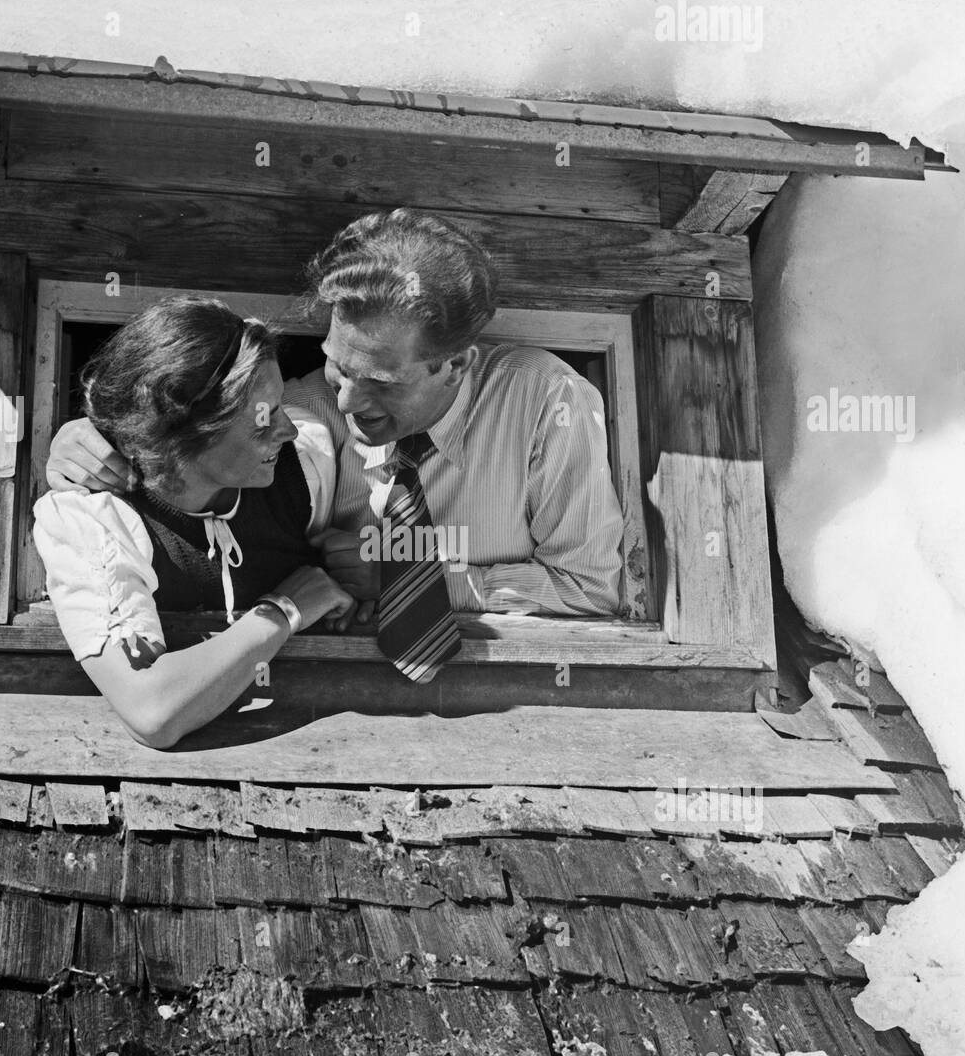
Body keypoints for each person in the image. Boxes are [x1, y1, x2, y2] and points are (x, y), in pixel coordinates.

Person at [47, 209, 626, 679]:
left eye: (380, 383)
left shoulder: (548, 404)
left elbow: (591, 588)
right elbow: (203, 435)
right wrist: (96, 437)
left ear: (454, 364)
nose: (348, 400)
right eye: (336, 366)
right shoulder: (312, 412)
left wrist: (415, 581)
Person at [33, 296, 353, 748]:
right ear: (187, 433)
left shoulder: (308, 465)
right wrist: (282, 610)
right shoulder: (91, 519)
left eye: (279, 407)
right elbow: (153, 712)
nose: (289, 430)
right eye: (263, 419)